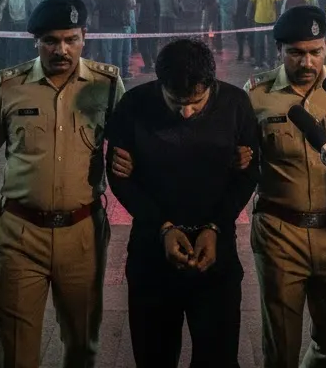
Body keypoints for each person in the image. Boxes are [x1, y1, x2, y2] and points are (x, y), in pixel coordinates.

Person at [0, 0, 124, 368]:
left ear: (84, 37)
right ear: (36, 42)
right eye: (51, 41)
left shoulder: (106, 85)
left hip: (83, 236)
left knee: (82, 347)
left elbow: (133, 147)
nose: (62, 50)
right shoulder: (10, 86)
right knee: (16, 352)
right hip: (21, 236)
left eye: (70, 39)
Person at [106, 38, 259, 368]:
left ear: (211, 84)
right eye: (176, 103)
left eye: (196, 102)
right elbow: (119, 177)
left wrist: (216, 227)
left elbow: (249, 174)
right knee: (154, 356)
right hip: (151, 256)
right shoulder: (134, 104)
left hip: (217, 254)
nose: (186, 112)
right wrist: (162, 227)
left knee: (217, 357)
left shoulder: (236, 104)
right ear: (160, 83)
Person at [245, 4, 326, 368]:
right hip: (281, 234)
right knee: (280, 348)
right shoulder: (256, 96)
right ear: (280, 51)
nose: (308, 62)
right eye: (296, 53)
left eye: (315, 51)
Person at [248, 0, 281, 68]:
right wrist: (278, 16)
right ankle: (272, 63)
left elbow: (251, 3)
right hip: (272, 19)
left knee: (258, 43)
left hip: (259, 19)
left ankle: (258, 63)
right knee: (272, 44)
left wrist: (248, 14)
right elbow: (278, 4)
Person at [133, 0, 160, 74]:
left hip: (141, 22)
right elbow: (158, 6)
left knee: (143, 44)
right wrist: (156, 19)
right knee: (152, 43)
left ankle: (148, 65)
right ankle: (155, 63)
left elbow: (135, 8)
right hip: (152, 21)